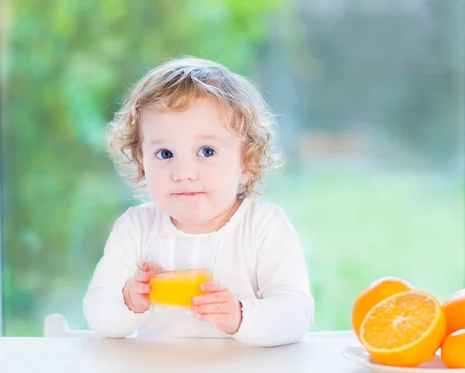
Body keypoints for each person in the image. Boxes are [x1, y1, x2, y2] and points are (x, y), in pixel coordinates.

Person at [83, 57, 314, 347]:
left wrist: (239, 315)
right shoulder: (136, 228)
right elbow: (98, 314)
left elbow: (296, 314)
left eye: (206, 151)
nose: (183, 174)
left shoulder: (264, 226)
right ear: (142, 161)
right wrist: (129, 300)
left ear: (246, 163)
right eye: (165, 154)